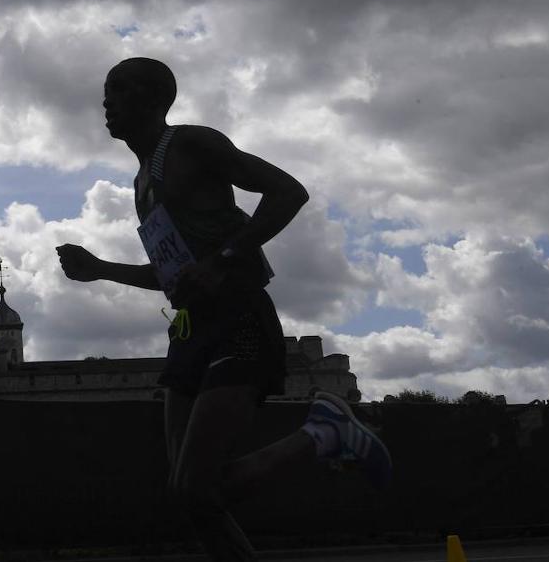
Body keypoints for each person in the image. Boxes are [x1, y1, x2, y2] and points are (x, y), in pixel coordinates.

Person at [56, 58, 390, 561]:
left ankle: (323, 433)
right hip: (190, 332)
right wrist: (101, 269)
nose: (107, 102)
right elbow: (174, 276)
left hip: (239, 317)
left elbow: (288, 192)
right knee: (188, 496)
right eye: (106, 91)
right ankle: (323, 434)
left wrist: (224, 258)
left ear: (155, 98)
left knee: (196, 489)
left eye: (118, 90)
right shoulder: (141, 184)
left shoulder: (191, 145)